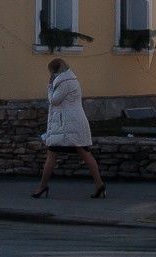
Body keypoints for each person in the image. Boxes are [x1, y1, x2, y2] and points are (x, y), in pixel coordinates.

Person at [32, 58, 106, 198]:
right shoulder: (71, 80)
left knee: (52, 153)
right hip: (73, 124)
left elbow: (54, 100)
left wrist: (49, 88)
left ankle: (42, 187)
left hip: (66, 125)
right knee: (84, 152)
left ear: (54, 71)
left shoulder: (64, 82)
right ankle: (99, 184)